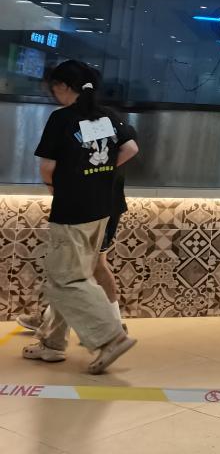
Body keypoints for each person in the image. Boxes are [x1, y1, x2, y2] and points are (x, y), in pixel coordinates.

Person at [23, 60, 139, 374]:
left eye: (54, 88)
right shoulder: (107, 116)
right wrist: (99, 173)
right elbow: (130, 148)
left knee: (67, 279)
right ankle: (52, 344)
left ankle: (111, 337)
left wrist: (59, 187)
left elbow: (47, 167)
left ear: (63, 86)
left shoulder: (62, 118)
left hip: (72, 210)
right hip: (101, 208)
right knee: (70, 275)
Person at [17, 146, 135, 335]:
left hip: (93, 206)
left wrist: (59, 188)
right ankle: (50, 319)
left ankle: (115, 325)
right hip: (103, 203)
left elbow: (131, 149)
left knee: (91, 266)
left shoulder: (103, 129)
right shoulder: (112, 131)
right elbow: (130, 148)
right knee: (79, 266)